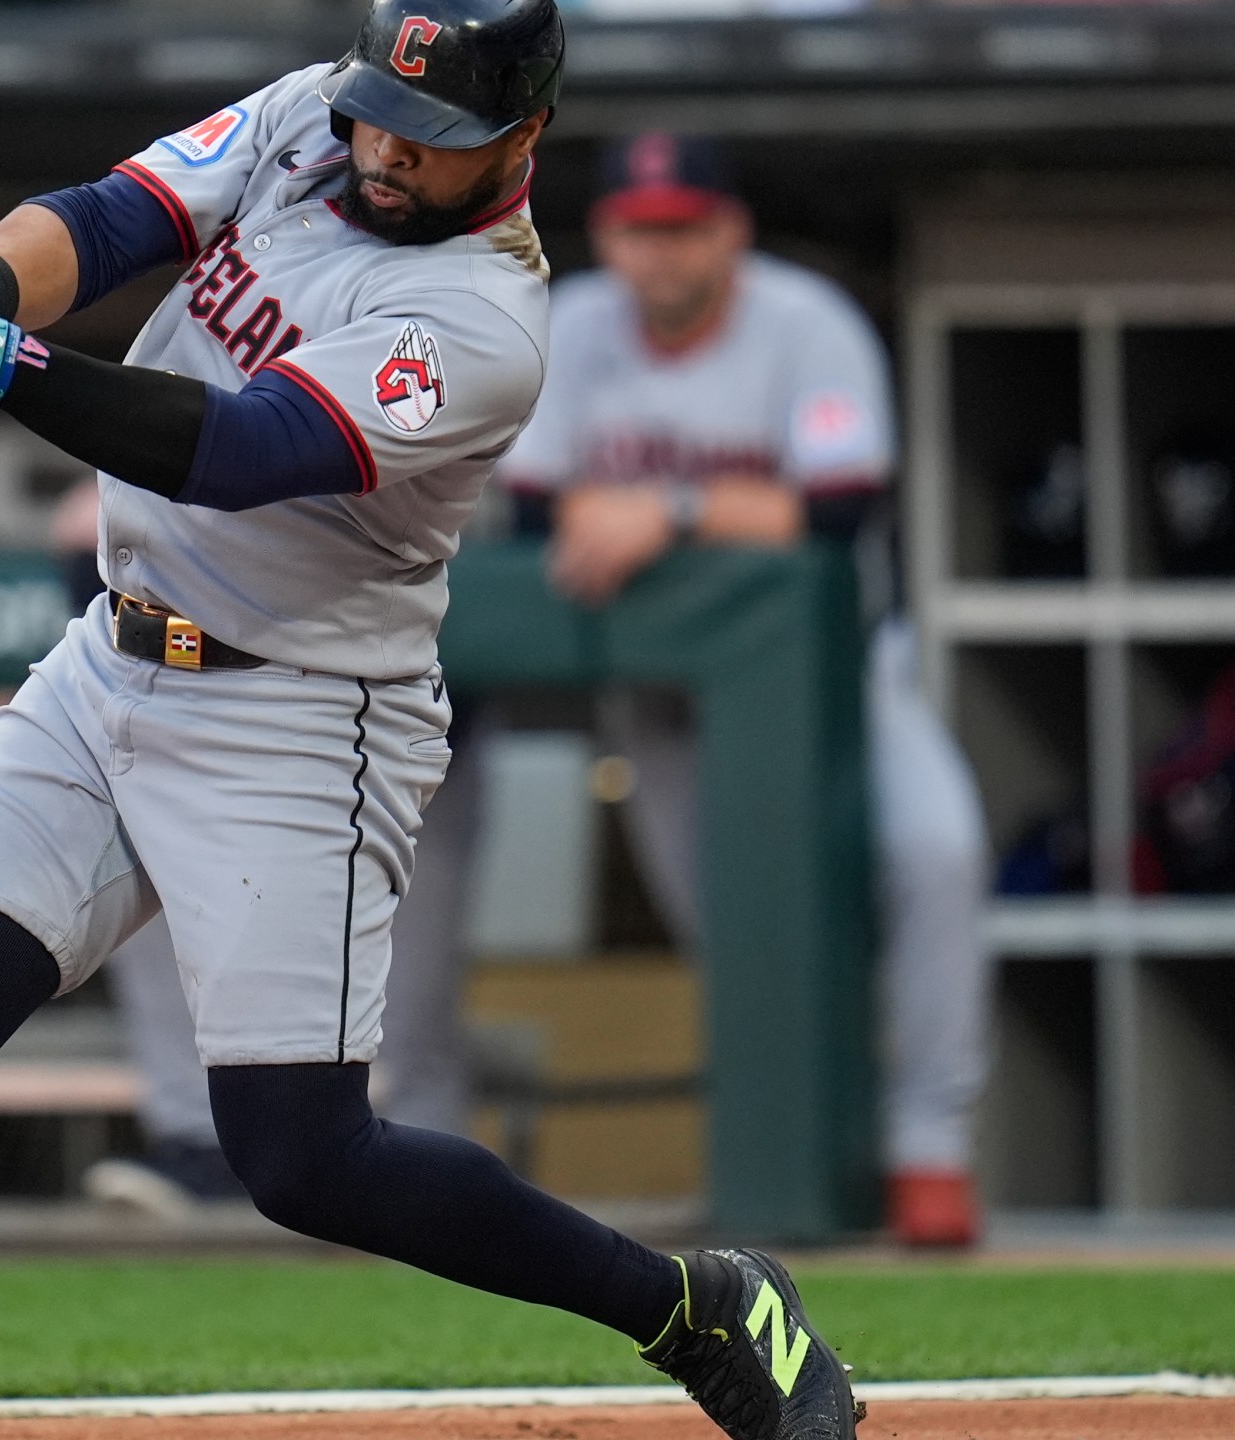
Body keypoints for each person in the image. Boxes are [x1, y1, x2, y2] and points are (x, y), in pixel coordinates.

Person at [0, 6, 861, 1440]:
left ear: (525, 136)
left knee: (305, 1161)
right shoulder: (309, 117)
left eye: (433, 137)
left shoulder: (486, 322)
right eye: (379, 114)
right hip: (109, 662)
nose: (386, 153)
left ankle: (695, 1308)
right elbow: (108, 219)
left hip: (300, 718)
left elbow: (242, 448)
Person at [500, 133, 992, 1248]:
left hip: (839, 675)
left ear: (732, 231)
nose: (661, 251)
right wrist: (717, 519)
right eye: (640, 228)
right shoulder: (569, 324)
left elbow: (832, 514)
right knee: (733, 929)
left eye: (684, 226)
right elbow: (537, 521)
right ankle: (792, 1165)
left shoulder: (807, 322)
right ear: (607, 235)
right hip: (663, 692)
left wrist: (664, 514)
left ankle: (930, 1145)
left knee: (937, 855)